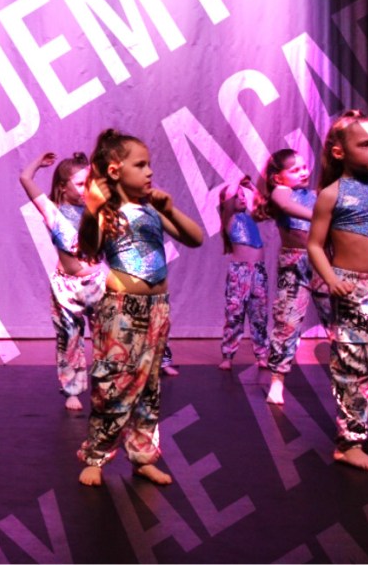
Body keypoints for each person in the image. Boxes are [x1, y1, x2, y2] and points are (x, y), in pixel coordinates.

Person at [76, 129, 204, 487]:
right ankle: (96, 456)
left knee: (149, 386)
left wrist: (169, 209)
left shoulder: (150, 209)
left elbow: (195, 238)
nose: (149, 172)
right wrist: (91, 210)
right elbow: (89, 248)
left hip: (157, 307)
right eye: (141, 165)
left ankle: (143, 456)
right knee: (113, 383)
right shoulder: (108, 211)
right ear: (115, 171)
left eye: (149, 165)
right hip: (122, 308)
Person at [307, 109, 368, 472]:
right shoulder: (332, 194)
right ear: (340, 151)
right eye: (365, 144)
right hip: (352, 289)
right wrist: (331, 278)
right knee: (352, 364)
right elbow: (315, 245)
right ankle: (348, 441)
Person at [20, 151, 105, 410]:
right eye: (79, 184)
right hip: (66, 288)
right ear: (62, 186)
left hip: (96, 283)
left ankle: (106, 386)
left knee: (105, 337)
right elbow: (25, 178)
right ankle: (72, 391)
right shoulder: (53, 211)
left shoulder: (97, 211)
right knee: (69, 339)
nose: (85, 189)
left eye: (88, 183)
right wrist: (39, 162)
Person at [263, 149, 331, 404]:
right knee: (287, 321)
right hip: (294, 264)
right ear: (278, 178)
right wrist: (319, 215)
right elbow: (285, 206)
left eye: (304, 167)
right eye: (294, 170)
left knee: (336, 320)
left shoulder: (316, 195)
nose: (303, 172)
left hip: (322, 261)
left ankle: (347, 377)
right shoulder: (282, 193)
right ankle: (277, 380)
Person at [218, 176, 269, 370]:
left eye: (243, 196)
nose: (242, 198)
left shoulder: (251, 217)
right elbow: (229, 196)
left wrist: (252, 188)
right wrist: (238, 181)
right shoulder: (229, 218)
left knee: (259, 315)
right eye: (237, 196)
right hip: (240, 273)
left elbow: (262, 204)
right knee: (235, 315)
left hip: (258, 272)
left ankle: (262, 354)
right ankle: (228, 355)